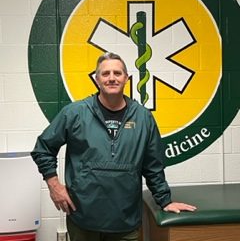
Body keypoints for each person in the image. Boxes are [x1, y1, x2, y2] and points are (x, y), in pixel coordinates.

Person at [31, 52, 196, 241]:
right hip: (83, 218)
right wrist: (55, 187)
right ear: (97, 79)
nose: (111, 78)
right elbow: (43, 148)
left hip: (125, 221)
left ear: (126, 78)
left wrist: (165, 201)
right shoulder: (75, 113)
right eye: (105, 73)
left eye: (117, 73)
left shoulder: (143, 118)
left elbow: (153, 166)